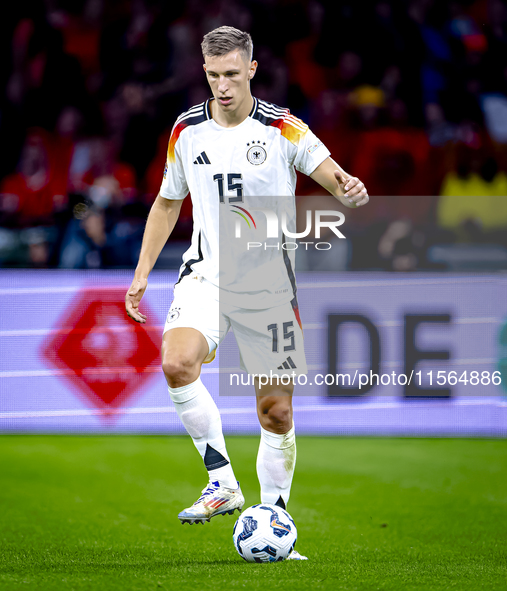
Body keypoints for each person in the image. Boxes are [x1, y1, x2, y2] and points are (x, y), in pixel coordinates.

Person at [125, 26, 368, 560]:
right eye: (213, 77)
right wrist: (142, 270)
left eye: (232, 75)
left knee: (276, 413)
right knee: (176, 363)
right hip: (207, 274)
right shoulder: (186, 130)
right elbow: (168, 202)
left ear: (252, 70)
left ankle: (276, 516)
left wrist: (348, 189)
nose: (223, 87)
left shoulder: (284, 128)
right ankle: (222, 482)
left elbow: (332, 175)